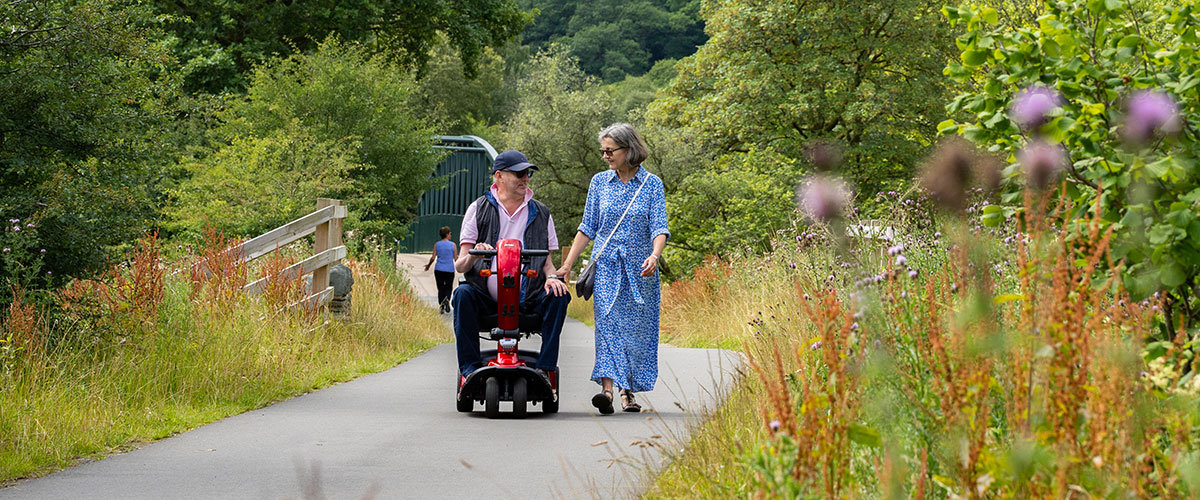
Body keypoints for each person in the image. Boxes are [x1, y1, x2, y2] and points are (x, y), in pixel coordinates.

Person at [557, 123, 668, 414]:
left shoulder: (651, 184)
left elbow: (659, 226)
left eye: (610, 150)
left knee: (634, 332)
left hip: (640, 271)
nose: (605, 156)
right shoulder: (599, 183)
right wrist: (567, 265)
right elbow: (587, 227)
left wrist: (655, 256)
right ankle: (607, 392)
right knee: (608, 327)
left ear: (628, 150)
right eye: (603, 151)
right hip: (606, 267)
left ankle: (627, 393)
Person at [452, 150, 572, 381]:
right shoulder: (478, 209)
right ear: (499, 176)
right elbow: (461, 266)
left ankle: (545, 368)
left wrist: (552, 277)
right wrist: (476, 255)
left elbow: (547, 263)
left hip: (529, 298)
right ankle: (469, 370)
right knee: (462, 294)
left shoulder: (541, 212)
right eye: (519, 174)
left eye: (527, 173)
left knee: (558, 294)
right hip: (486, 298)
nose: (525, 178)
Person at [424, 226, 457, 313]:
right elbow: (456, 258)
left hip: (439, 269)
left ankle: (441, 306)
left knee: (440, 287)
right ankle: (447, 299)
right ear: (447, 234)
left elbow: (433, 257)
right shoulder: (453, 245)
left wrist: (428, 265)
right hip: (449, 270)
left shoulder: (437, 244)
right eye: (450, 233)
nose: (451, 235)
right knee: (449, 287)